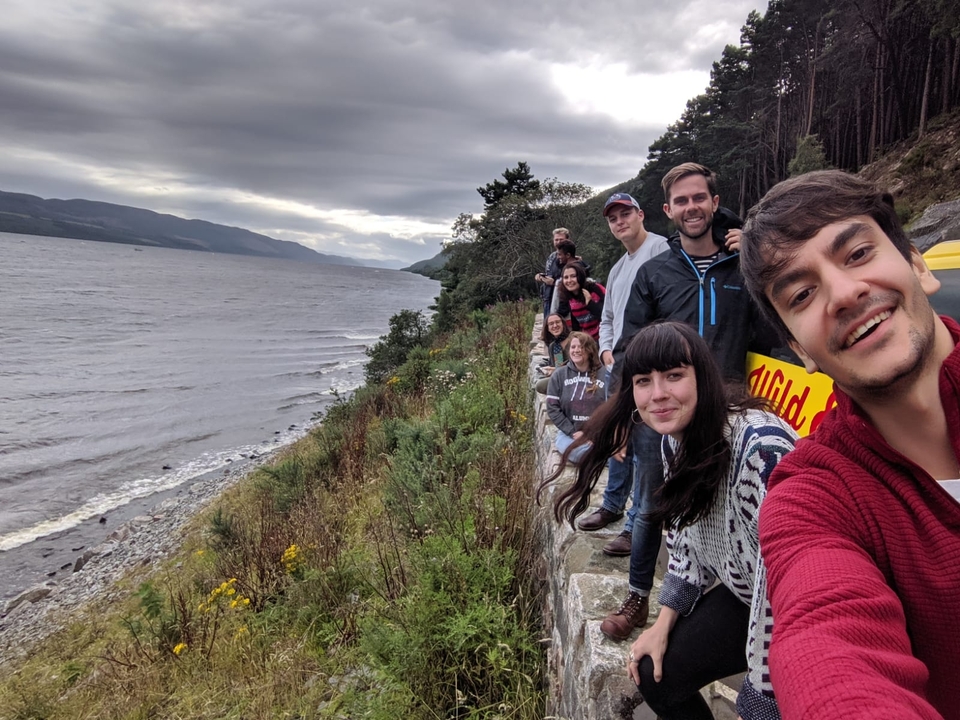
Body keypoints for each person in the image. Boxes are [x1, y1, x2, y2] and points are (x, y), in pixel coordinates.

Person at [739, 169, 960, 720]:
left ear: (916, 263)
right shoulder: (809, 499)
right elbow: (826, 637)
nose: (844, 293)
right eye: (803, 293)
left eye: (858, 253)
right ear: (798, 348)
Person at [550, 322, 797, 720]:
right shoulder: (674, 440)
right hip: (747, 593)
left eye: (675, 375)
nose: (659, 394)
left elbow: (783, 584)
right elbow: (683, 543)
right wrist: (662, 625)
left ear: (704, 376)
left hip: (800, 608)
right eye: (644, 380)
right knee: (654, 673)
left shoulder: (760, 451)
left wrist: (762, 697)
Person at [599, 162, 759, 640]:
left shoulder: (744, 267)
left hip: (727, 412)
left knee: (730, 508)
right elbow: (628, 349)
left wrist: (755, 248)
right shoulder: (655, 272)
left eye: (700, 198)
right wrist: (620, 419)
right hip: (661, 414)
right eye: (682, 201)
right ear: (668, 211)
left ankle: (726, 606)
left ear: (714, 202)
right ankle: (638, 597)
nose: (692, 208)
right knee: (651, 506)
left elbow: (774, 333)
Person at [577, 193, 669, 561]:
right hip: (620, 366)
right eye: (612, 217)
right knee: (618, 439)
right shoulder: (617, 269)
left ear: (640, 214)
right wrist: (605, 352)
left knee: (646, 447)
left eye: (625, 213)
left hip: (650, 366)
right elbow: (609, 318)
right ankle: (613, 505)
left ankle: (636, 525)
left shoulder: (661, 251)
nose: (619, 221)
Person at [545, 331, 605, 464]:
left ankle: (600, 455)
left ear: (590, 350)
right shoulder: (559, 375)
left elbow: (612, 409)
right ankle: (601, 457)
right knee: (574, 452)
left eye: (581, 347)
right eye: (573, 347)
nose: (576, 350)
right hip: (569, 435)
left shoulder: (605, 375)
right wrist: (573, 432)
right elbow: (552, 408)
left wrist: (593, 434)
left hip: (599, 435)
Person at [556, 262, 605, 342]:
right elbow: (576, 324)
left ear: (580, 277)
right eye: (566, 277)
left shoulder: (595, 289)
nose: (569, 280)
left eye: (573, 276)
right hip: (587, 341)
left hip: (604, 339)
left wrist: (590, 304)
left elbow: (608, 314)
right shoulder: (569, 297)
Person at [535, 228, 570, 318]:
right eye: (556, 240)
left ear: (567, 240)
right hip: (548, 298)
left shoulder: (570, 257)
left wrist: (554, 283)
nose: (558, 242)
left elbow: (572, 281)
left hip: (563, 301)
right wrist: (541, 276)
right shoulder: (552, 256)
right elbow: (550, 273)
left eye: (561, 239)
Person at [536, 313, 570, 394]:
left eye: (557, 322)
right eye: (551, 324)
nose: (555, 326)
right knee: (540, 385)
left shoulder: (574, 338)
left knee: (540, 385)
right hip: (561, 377)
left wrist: (557, 369)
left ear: (563, 324)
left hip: (576, 375)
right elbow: (556, 366)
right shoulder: (553, 346)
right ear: (547, 328)